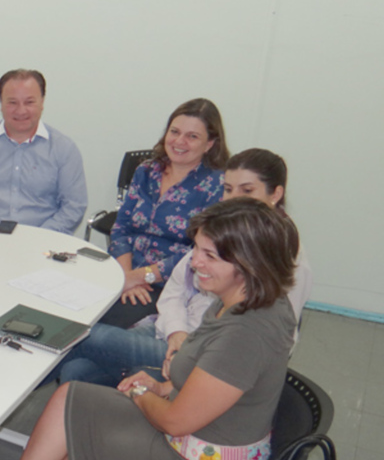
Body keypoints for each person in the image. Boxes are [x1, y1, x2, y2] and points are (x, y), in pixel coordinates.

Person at [0, 198, 298, 460]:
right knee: (69, 402)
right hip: (197, 440)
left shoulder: (244, 335)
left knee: (69, 431)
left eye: (209, 255)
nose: (195, 262)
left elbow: (175, 421)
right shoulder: (242, 300)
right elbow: (213, 386)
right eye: (196, 248)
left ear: (249, 263)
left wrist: (143, 392)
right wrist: (162, 387)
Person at [55, 148, 312, 387]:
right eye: (228, 189)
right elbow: (176, 287)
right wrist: (176, 331)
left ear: (275, 194)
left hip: (204, 354)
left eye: (247, 190)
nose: (233, 199)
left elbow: (275, 340)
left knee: (90, 336)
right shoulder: (223, 228)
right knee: (75, 371)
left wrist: (186, 355)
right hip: (173, 330)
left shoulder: (285, 256)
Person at [100, 98, 228, 328]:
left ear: (209, 144)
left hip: (170, 285)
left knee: (101, 328)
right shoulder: (146, 171)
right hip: (124, 271)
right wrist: (127, 276)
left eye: (192, 136)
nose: (179, 141)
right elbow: (121, 227)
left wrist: (140, 277)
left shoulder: (218, 186)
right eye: (174, 132)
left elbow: (197, 253)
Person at [0, 69, 87, 233]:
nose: (21, 111)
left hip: (43, 240)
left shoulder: (64, 149)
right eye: (12, 102)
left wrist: (40, 237)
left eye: (29, 102)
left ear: (42, 103)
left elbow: (73, 207)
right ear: (1, 104)